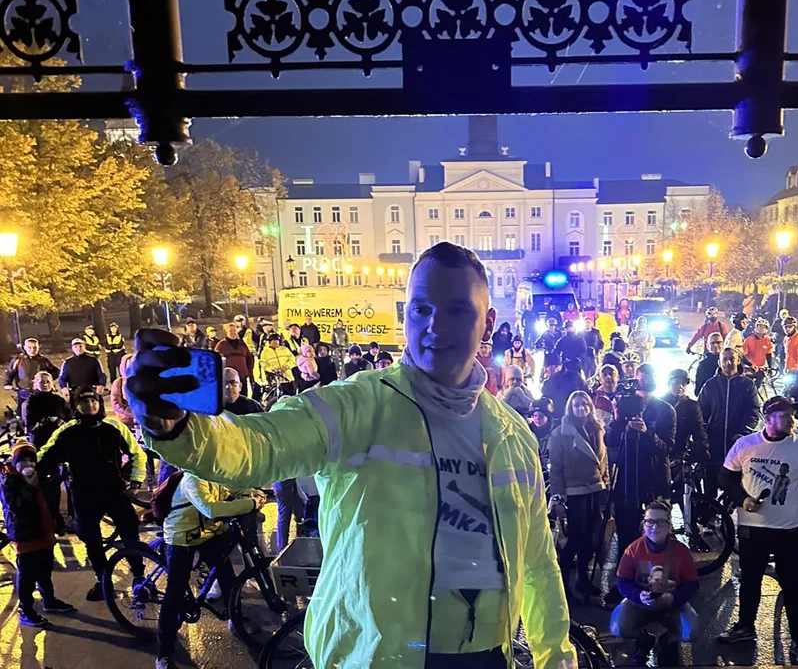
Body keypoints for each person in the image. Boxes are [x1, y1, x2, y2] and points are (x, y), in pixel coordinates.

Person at [126, 241, 575, 668]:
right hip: (378, 659)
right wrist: (177, 427)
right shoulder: (357, 405)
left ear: (488, 323)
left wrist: (556, 656)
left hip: (486, 658)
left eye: (457, 310)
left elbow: (537, 564)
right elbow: (259, 445)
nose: (434, 326)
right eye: (421, 309)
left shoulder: (512, 434)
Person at [717, 396, 798, 663]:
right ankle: (745, 626)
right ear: (768, 418)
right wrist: (742, 499)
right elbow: (726, 477)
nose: (791, 420)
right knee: (750, 581)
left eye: (792, 415)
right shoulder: (745, 444)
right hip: (753, 529)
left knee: (793, 586)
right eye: (785, 415)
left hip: (788, 530)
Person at [36, 387, 146, 601]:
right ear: (76, 405)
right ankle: (103, 582)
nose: (90, 405)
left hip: (115, 491)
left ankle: (140, 578)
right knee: (92, 541)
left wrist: (135, 484)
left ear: (99, 402)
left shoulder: (114, 427)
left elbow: (137, 454)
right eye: (84, 401)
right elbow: (45, 456)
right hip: (84, 495)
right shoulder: (67, 431)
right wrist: (25, 464)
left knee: (130, 534)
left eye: (93, 400)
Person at [157, 472, 265, 669]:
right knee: (175, 594)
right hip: (182, 536)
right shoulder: (192, 478)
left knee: (228, 578)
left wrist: (256, 494)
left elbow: (236, 488)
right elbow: (210, 509)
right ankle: (163, 654)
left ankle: (235, 619)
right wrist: (251, 504)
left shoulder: (215, 473)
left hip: (208, 532)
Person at [610, 501, 699, 665]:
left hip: (673, 605)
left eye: (661, 522)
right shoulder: (633, 550)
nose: (654, 527)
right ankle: (644, 639)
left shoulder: (681, 551)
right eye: (649, 521)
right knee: (618, 626)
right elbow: (622, 581)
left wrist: (674, 598)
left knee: (692, 630)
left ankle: (668, 641)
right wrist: (638, 596)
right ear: (643, 525)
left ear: (669, 526)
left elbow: (692, 583)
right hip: (640, 604)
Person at [0, 440, 76, 627]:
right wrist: (30, 486)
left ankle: (49, 600)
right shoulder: (10, 480)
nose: (28, 465)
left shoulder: (38, 476)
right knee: (27, 575)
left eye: (31, 461)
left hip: (44, 532)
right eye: (23, 461)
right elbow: (16, 506)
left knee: (44, 569)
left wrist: (58, 523)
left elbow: (48, 502)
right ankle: (26, 610)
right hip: (26, 535)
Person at [605, 364, 676, 552]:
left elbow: (667, 447)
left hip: (653, 481)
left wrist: (647, 433)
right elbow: (610, 441)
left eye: (649, 378)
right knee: (626, 538)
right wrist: (618, 421)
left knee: (655, 539)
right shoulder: (625, 406)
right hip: (627, 481)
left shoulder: (666, 410)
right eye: (642, 379)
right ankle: (626, 568)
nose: (646, 382)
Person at [548, 391, 609, 598]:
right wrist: (558, 498)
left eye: (585, 403)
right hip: (574, 491)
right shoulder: (560, 434)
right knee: (575, 537)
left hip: (595, 488)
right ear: (570, 408)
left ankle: (583, 579)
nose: (581, 407)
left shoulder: (597, 429)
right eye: (577, 404)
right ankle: (563, 584)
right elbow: (556, 469)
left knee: (591, 539)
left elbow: (603, 459)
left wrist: (606, 483)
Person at [698, 348, 761, 498]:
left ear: (738, 361)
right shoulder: (710, 385)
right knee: (710, 487)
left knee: (734, 487)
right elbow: (700, 413)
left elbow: (753, 411)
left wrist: (743, 432)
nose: (728, 363)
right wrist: (703, 437)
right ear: (719, 362)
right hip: (714, 444)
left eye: (732, 359)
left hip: (737, 444)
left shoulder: (748, 385)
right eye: (724, 359)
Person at [662, 368, 709, 499]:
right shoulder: (660, 404)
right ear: (669, 383)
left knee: (686, 494)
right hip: (663, 452)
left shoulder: (692, 406)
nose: (680, 387)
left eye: (683, 384)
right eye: (677, 383)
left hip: (681, 453)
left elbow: (699, 428)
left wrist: (704, 446)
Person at [5, 338, 59, 414]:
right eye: (29, 347)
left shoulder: (43, 360)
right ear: (24, 347)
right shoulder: (18, 360)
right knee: (23, 411)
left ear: (38, 347)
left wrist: (46, 380)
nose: (32, 350)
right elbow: (10, 372)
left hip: (40, 391)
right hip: (23, 391)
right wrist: (7, 383)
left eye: (35, 347)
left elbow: (56, 372)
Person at [215, 322, 256, 400]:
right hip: (229, 379)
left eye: (234, 330)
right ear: (226, 332)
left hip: (242, 377)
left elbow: (249, 359)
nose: (233, 332)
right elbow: (216, 360)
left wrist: (249, 372)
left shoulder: (242, 344)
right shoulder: (221, 345)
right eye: (230, 331)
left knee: (243, 398)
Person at [541, 356, 588, 421]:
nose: (546, 371)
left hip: (577, 417)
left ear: (557, 366)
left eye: (548, 367)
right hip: (557, 420)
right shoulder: (547, 384)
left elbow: (585, 394)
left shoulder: (574, 377)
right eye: (545, 368)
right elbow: (546, 402)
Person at [110, 355, 136, 431]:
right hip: (125, 420)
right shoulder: (118, 382)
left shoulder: (142, 381)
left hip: (142, 420)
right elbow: (116, 403)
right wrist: (132, 413)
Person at [693, 332, 723, 396]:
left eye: (718, 342)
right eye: (712, 343)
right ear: (707, 346)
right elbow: (699, 388)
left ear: (723, 344)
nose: (715, 345)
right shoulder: (703, 365)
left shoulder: (728, 362)